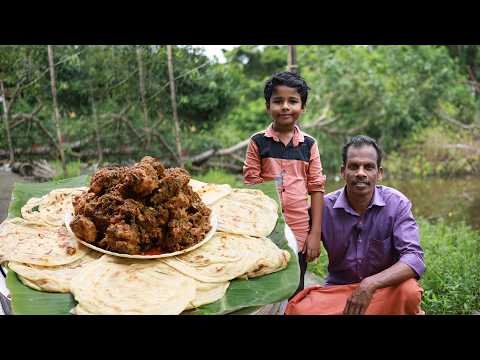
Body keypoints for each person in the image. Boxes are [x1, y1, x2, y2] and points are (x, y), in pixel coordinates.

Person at [285, 135, 426, 315]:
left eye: (368, 167)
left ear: (379, 173)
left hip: (382, 289)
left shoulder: (397, 204)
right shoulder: (324, 208)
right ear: (343, 172)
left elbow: (414, 258)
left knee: (409, 292)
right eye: (354, 167)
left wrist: (370, 284)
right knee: (299, 309)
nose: (361, 173)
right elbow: (291, 238)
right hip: (339, 292)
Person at [243, 71, 326, 296]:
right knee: (266, 286)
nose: (285, 106)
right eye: (278, 101)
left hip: (300, 230)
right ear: (268, 106)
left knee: (295, 287)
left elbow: (316, 188)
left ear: (303, 106)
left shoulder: (309, 145)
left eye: (293, 101)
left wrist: (315, 233)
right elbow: (252, 187)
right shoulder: (258, 142)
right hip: (266, 229)